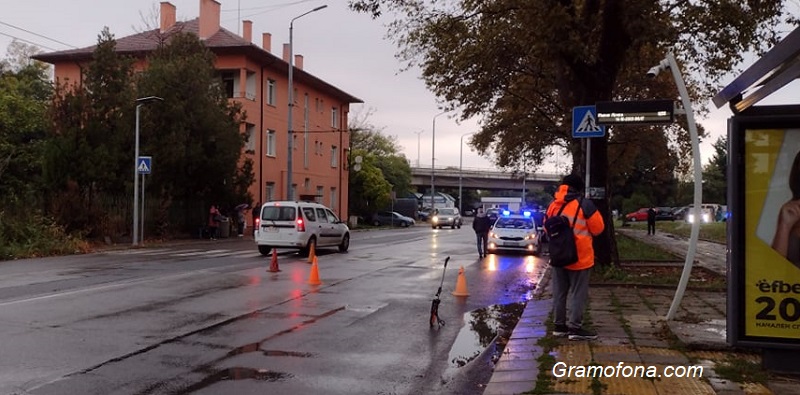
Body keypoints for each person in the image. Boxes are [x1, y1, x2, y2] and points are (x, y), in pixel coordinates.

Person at [546, 174, 605, 341]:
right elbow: (598, 228)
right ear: (579, 188)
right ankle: (575, 328)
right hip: (580, 257)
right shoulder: (584, 204)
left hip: (558, 256)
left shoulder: (553, 205)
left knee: (559, 292)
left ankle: (559, 326)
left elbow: (546, 228)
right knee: (578, 293)